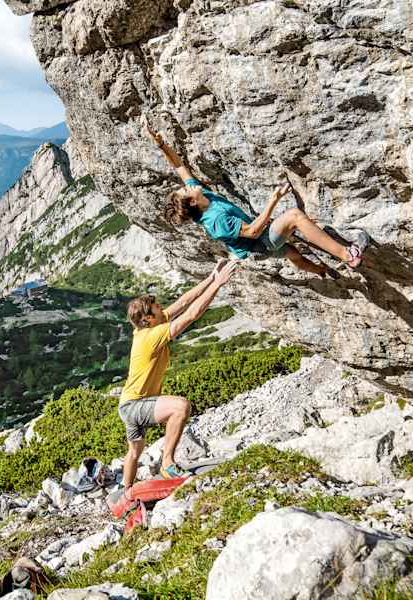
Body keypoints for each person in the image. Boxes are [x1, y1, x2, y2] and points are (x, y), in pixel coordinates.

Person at [146, 122, 365, 275]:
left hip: (252, 245)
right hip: (259, 244)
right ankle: (348, 256)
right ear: (192, 202)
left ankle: (322, 271)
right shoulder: (215, 221)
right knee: (295, 217)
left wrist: (161, 144)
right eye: (185, 191)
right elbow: (253, 231)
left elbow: (178, 166)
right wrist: (274, 200)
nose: (187, 186)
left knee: (293, 253)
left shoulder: (199, 198)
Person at [119, 259, 237, 496]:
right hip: (135, 405)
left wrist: (211, 277)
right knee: (181, 407)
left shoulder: (144, 327)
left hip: (127, 404)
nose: (162, 309)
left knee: (135, 451)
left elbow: (183, 302)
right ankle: (167, 464)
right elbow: (192, 313)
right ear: (147, 319)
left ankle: (126, 491)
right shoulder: (153, 335)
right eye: (157, 309)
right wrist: (219, 285)